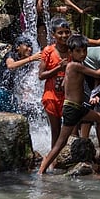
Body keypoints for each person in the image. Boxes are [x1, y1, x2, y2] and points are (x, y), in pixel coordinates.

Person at [38, 34, 100, 174]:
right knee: (61, 143)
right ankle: (41, 170)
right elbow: (98, 73)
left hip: (77, 108)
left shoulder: (70, 67)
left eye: (84, 51)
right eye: (78, 51)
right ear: (70, 53)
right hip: (72, 109)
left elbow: (64, 84)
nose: (82, 54)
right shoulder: (76, 66)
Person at [38, 17, 71, 151]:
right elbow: (41, 75)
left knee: (71, 129)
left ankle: (68, 157)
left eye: (66, 32)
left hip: (68, 97)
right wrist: (58, 68)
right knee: (56, 130)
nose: (64, 35)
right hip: (51, 96)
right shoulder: (48, 51)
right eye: (60, 33)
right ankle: (53, 162)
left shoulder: (73, 50)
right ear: (53, 35)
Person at [0, 36, 41, 113]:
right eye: (27, 46)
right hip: (0, 93)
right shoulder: (10, 55)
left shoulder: (26, 65)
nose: (30, 49)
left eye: (31, 47)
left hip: (12, 95)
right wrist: (31, 58)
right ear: (17, 47)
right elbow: (11, 66)